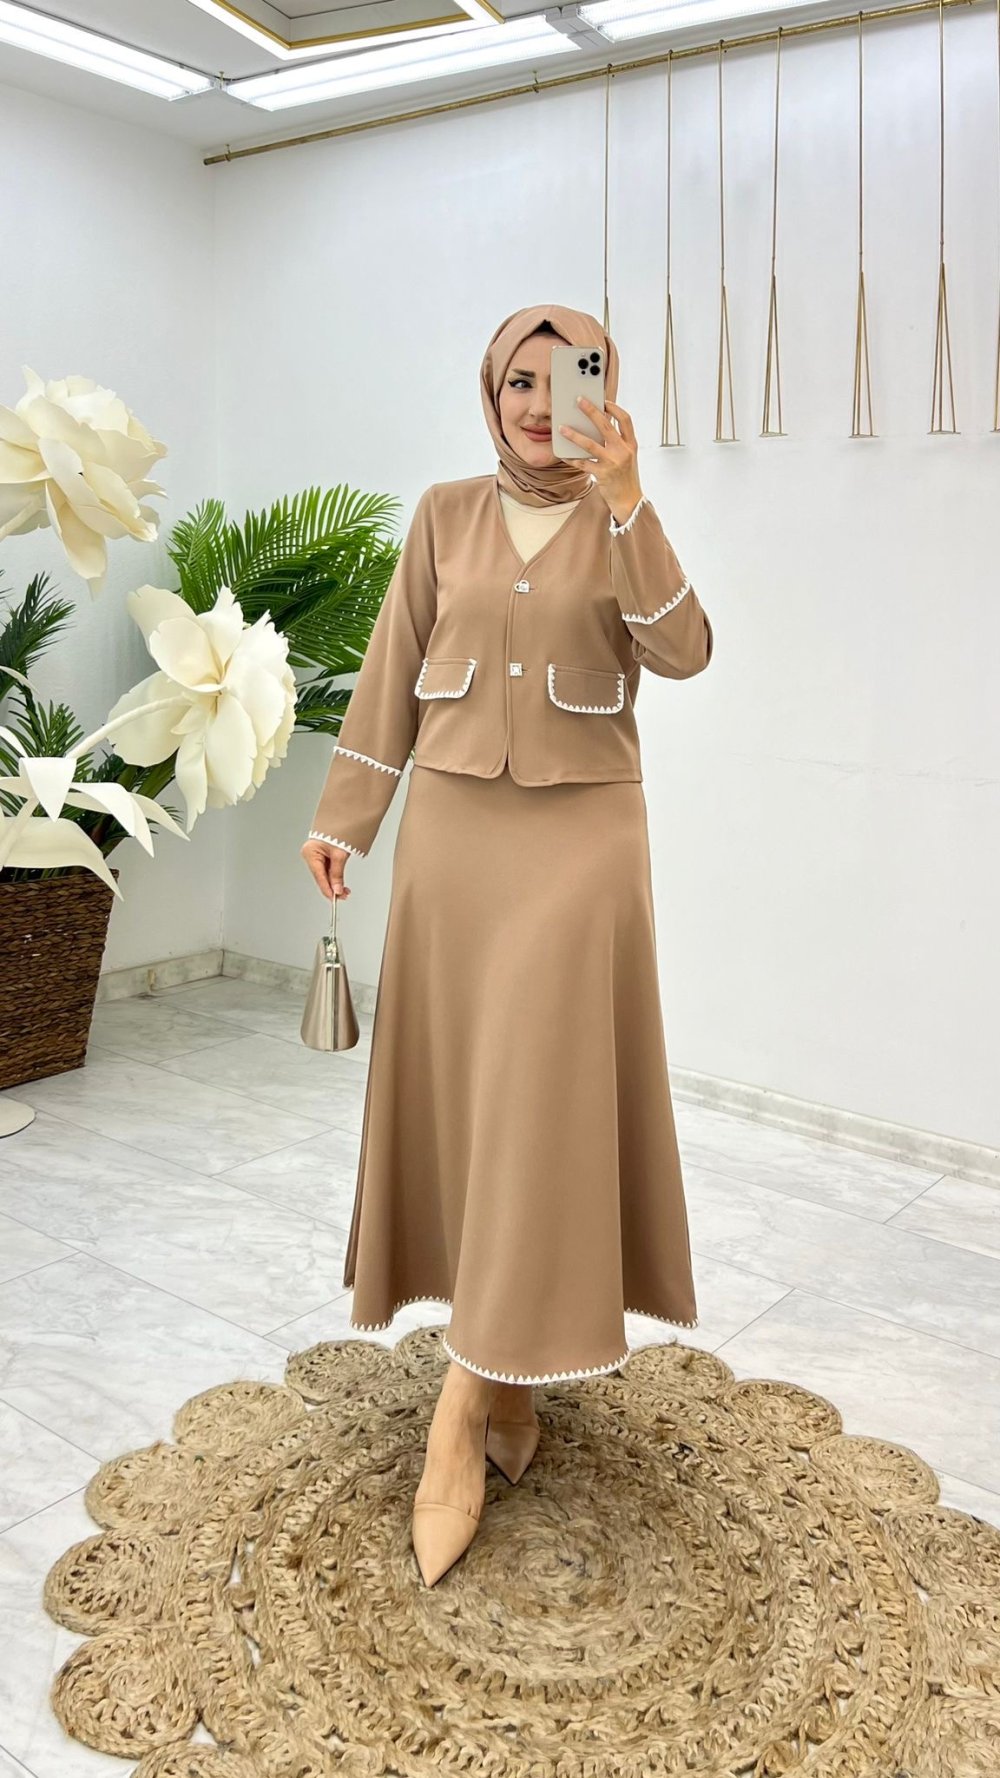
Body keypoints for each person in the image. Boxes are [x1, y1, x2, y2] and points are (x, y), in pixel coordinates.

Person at [301, 302, 714, 1586]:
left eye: (565, 379)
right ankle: (511, 1379)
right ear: (490, 394)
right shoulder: (442, 515)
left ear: (604, 388)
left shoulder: (620, 518)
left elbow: (683, 651)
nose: (541, 405)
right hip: (456, 840)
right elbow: (392, 670)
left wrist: (630, 500)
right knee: (476, 1107)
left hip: (582, 845)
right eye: (518, 382)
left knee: (542, 1103)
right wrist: (345, 818)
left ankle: (456, 1416)